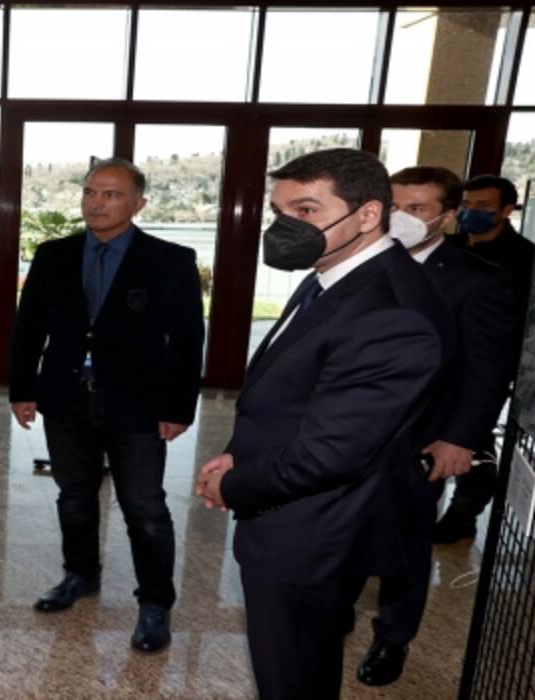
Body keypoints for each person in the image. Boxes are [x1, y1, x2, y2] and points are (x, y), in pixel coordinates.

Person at [195, 149, 453, 699]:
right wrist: (241, 451)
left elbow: (328, 454)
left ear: (367, 214)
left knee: (294, 679)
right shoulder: (339, 275)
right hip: (300, 514)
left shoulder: (391, 312)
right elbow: (295, 392)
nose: (288, 226)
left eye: (307, 210)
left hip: (315, 530)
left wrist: (233, 484)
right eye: (280, 211)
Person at [9, 158, 204, 653]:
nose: (97, 202)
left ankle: (155, 602)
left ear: (138, 203)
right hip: (66, 397)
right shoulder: (53, 255)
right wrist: (22, 389)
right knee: (73, 495)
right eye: (91, 192)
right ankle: (80, 575)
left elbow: (186, 340)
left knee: (145, 506)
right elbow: (29, 326)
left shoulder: (171, 260)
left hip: (137, 403)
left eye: (112, 195)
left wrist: (179, 407)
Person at [347, 166, 522, 686]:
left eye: (418, 209)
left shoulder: (478, 279)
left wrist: (462, 439)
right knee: (344, 530)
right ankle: (335, 610)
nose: (402, 218)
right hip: (350, 433)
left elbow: (488, 369)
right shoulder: (361, 263)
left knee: (404, 542)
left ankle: (392, 638)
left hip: (422, 438)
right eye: (395, 205)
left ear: (447, 216)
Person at [434, 173, 535, 543]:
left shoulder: (528, 259)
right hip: (440, 365)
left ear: (507, 210)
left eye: (483, 206)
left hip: (487, 367)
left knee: (472, 439)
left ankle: (462, 515)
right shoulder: (450, 249)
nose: (472, 213)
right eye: (466, 205)